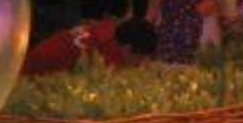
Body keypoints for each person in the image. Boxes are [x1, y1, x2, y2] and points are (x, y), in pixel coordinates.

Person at [20, 13, 155, 75]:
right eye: (140, 59)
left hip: (28, 62)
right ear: (128, 49)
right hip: (32, 76)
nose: (139, 65)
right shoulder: (105, 53)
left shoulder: (109, 29)